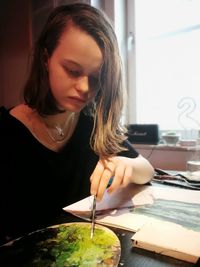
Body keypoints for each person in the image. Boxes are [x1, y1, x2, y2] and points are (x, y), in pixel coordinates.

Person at [0, 3, 154, 244]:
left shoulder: (92, 128)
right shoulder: (7, 133)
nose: (85, 88)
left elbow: (146, 170)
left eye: (96, 78)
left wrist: (125, 164)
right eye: (72, 71)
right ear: (45, 59)